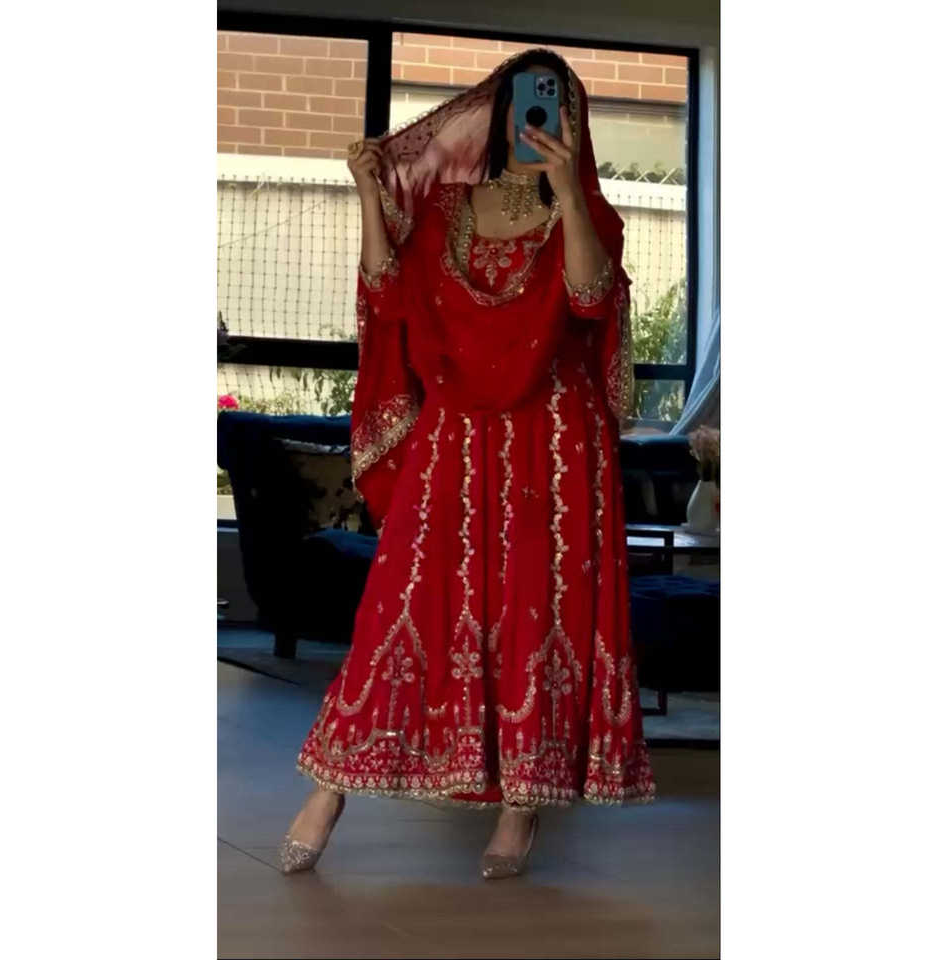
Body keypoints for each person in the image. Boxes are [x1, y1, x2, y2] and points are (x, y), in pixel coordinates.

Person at [280, 48, 655, 881]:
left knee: (538, 614)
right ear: (496, 112)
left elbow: (590, 300)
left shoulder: (589, 212)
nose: (536, 116)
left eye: (554, 103)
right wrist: (368, 198)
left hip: (554, 444)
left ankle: (522, 801)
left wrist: (567, 193)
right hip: (454, 438)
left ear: (575, 121)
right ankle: (329, 788)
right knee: (402, 601)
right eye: (522, 100)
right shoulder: (446, 207)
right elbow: (386, 290)